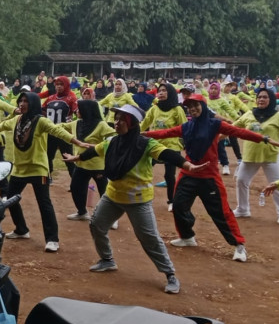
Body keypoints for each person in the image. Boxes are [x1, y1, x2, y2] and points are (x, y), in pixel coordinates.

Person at [62, 104, 206, 294]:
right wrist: (77, 158)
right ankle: (107, 260)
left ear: (131, 124)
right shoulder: (112, 141)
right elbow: (95, 150)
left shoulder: (146, 144)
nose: (117, 122)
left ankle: (170, 274)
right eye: (116, 119)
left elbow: (167, 154)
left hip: (138, 200)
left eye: (122, 120)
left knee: (149, 238)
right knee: (96, 225)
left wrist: (187, 165)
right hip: (113, 196)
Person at [144, 94, 279, 263]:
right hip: (188, 175)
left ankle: (238, 244)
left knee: (220, 213)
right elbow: (165, 133)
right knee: (178, 206)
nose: (193, 109)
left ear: (203, 106)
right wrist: (143, 134)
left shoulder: (215, 125)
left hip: (209, 177)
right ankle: (187, 237)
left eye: (196, 105)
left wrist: (264, 138)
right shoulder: (186, 127)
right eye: (190, 106)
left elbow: (239, 132)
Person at [0, 92, 90, 252]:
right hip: (19, 169)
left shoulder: (41, 121)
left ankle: (52, 239)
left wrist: (78, 142)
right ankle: (21, 229)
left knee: (44, 203)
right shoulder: (16, 120)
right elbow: (4, 125)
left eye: (26, 101)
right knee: (10, 199)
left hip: (38, 169)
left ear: (33, 104)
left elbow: (58, 131)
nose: (22, 104)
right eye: (20, 101)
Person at [232, 89, 279, 226]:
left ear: (271, 99)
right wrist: (214, 139)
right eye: (259, 97)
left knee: (277, 184)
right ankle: (242, 209)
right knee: (241, 180)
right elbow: (231, 129)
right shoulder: (249, 114)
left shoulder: (278, 116)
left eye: (265, 97)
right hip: (250, 156)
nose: (261, 99)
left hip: (271, 157)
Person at [60, 100, 116, 220]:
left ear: (87, 110)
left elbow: (115, 137)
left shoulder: (101, 125)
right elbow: (59, 127)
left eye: (79, 109)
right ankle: (82, 212)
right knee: (75, 188)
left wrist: (95, 146)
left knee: (105, 192)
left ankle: (111, 218)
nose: (76, 111)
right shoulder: (76, 123)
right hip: (80, 164)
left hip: (98, 166)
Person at [141, 83, 187, 211]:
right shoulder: (154, 109)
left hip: (171, 146)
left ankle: (172, 201)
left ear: (170, 93)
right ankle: (142, 197)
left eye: (164, 91)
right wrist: (134, 132)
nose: (161, 93)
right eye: (159, 91)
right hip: (154, 145)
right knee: (144, 170)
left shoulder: (177, 109)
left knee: (169, 175)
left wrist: (187, 143)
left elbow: (185, 127)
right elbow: (144, 123)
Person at [43, 76, 78, 183]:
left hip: (64, 133)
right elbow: (42, 110)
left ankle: (76, 183)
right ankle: (48, 177)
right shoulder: (50, 98)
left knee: (68, 158)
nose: (58, 87)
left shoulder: (71, 98)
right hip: (50, 133)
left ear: (66, 85)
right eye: (57, 84)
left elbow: (78, 112)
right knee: (47, 156)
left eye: (61, 84)